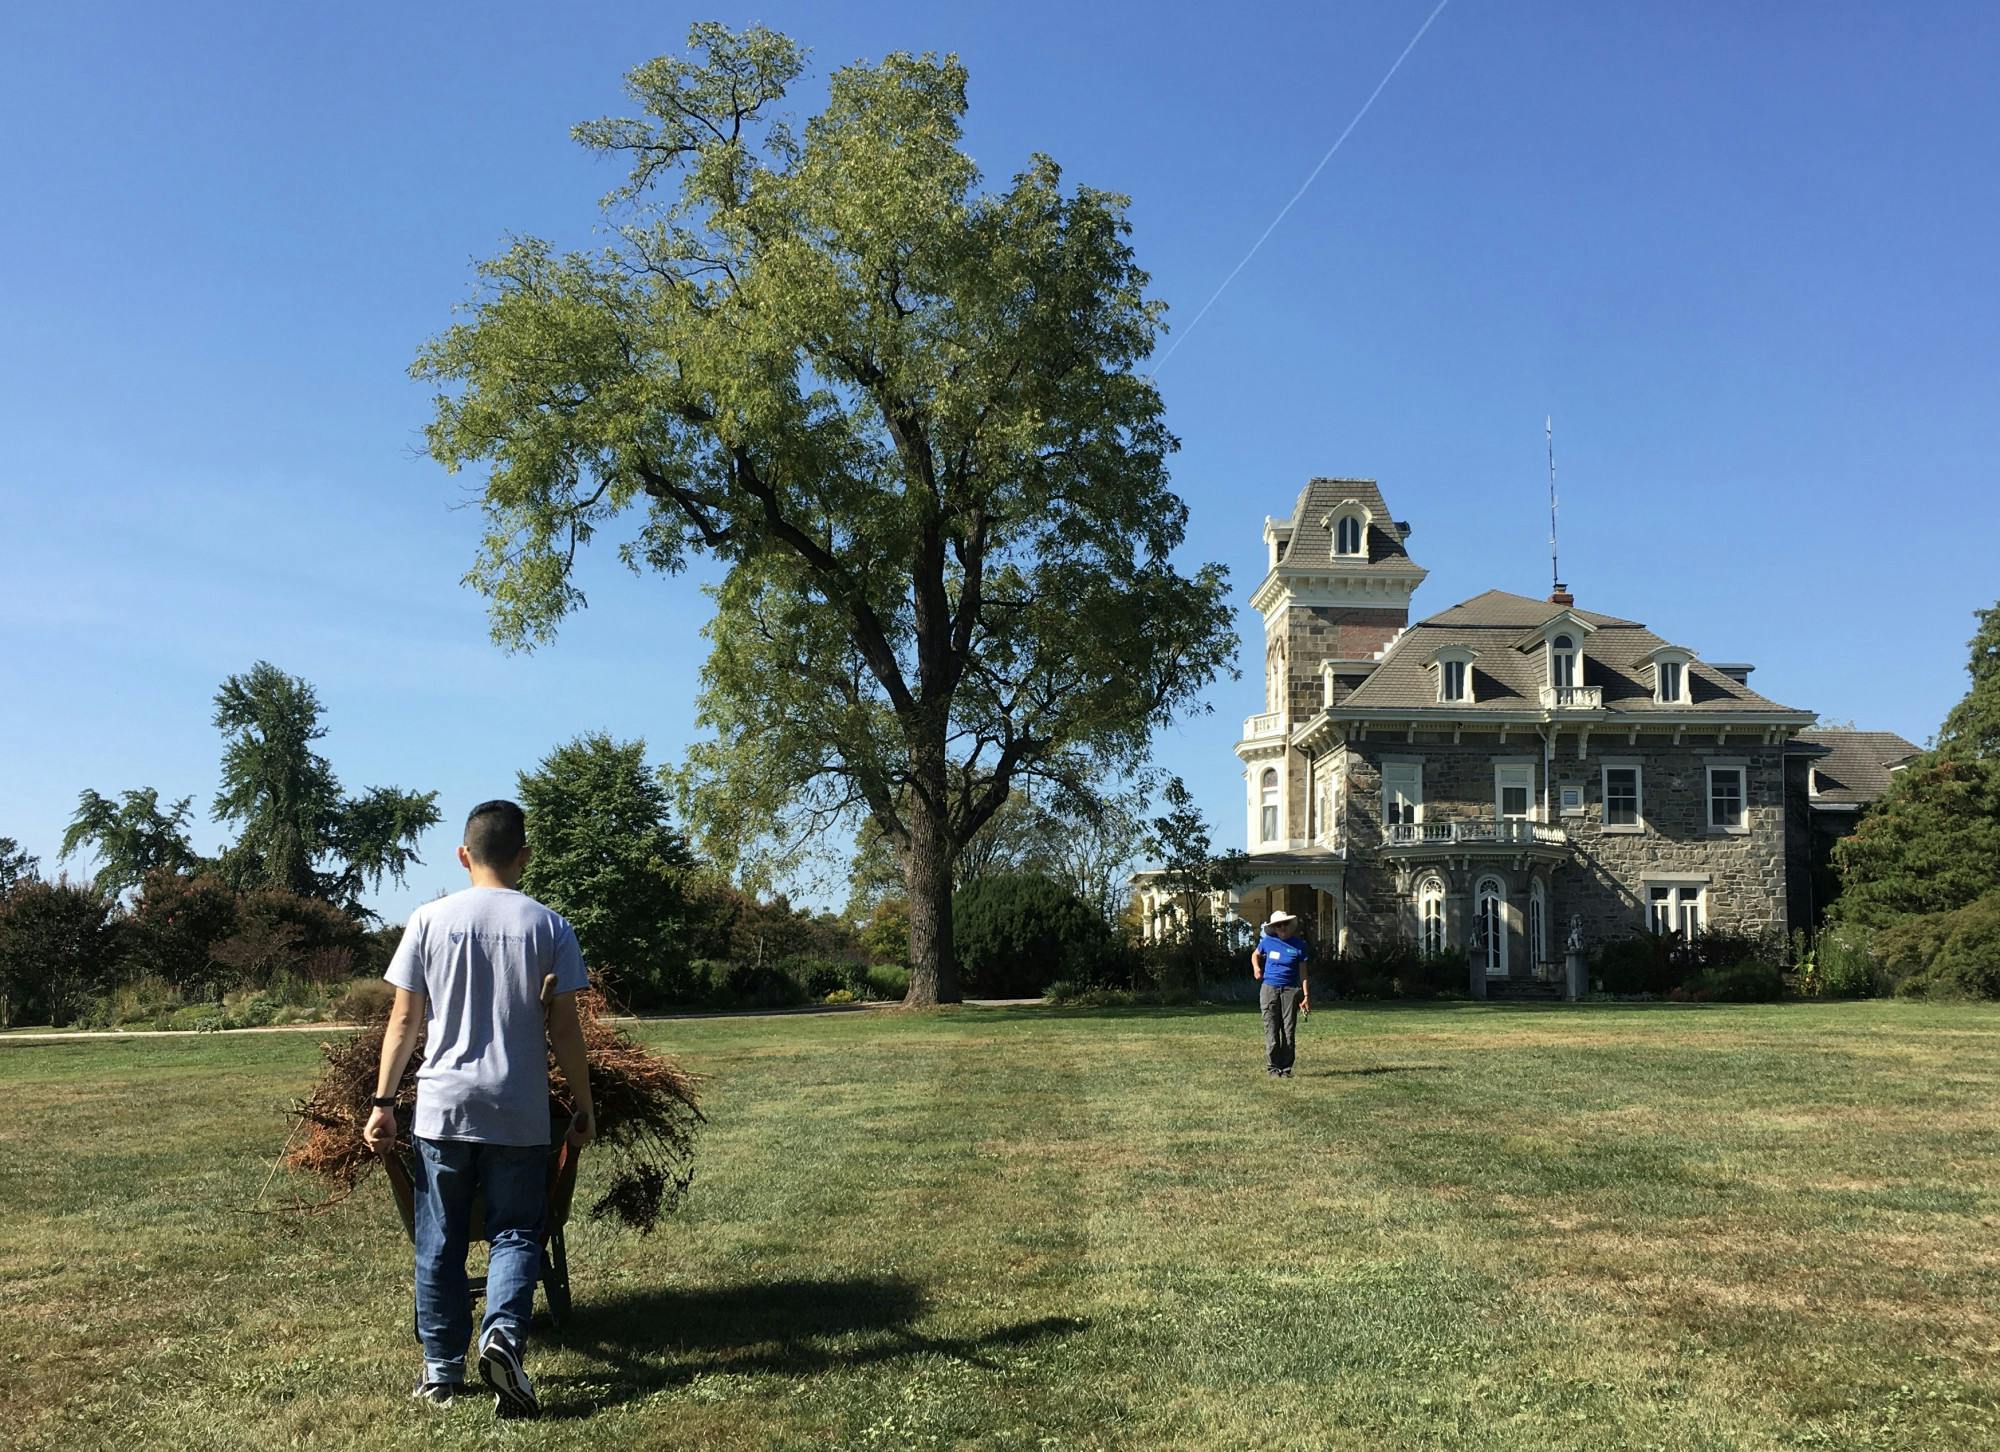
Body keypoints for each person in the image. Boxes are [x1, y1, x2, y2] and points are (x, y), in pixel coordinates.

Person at [362, 800, 595, 1418]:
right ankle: (503, 1338)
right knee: (519, 1229)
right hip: (517, 1108)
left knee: (439, 1236)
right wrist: (583, 1102)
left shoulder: (428, 920)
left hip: (443, 1108)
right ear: (524, 856)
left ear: (463, 856)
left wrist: (383, 1103)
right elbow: (566, 1029)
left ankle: (441, 1370)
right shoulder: (551, 926)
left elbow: (405, 1020)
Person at [1250, 910, 1311, 1077]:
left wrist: (1305, 996)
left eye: (1284, 924)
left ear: (1290, 926)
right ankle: (1273, 1067)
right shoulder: (1267, 942)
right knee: (1271, 1028)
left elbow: (1303, 973)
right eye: (1278, 925)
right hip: (1269, 989)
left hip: (1290, 991)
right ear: (1274, 928)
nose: (1282, 927)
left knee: (1288, 1030)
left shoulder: (1299, 945)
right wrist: (1256, 968)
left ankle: (1286, 1068)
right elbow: (1255, 955)